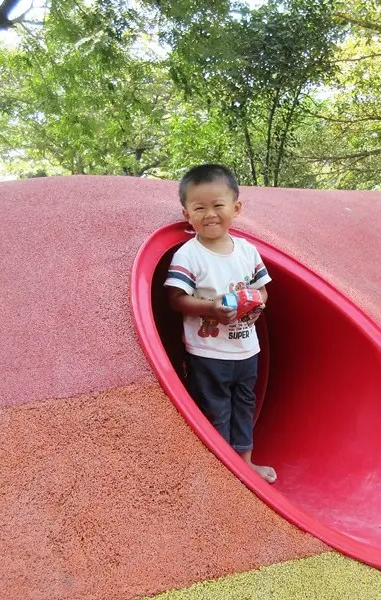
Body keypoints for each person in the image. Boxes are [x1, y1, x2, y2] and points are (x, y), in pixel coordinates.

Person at [164, 164, 277, 484]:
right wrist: (211, 308)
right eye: (199, 208)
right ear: (187, 214)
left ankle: (244, 462)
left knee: (244, 404)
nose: (209, 214)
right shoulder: (189, 255)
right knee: (214, 409)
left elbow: (262, 290)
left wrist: (256, 305)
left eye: (218, 205)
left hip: (246, 349)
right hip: (208, 351)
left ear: (236, 208)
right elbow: (175, 299)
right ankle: (220, 470)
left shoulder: (247, 251)